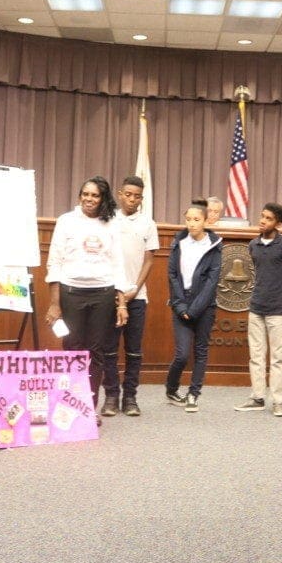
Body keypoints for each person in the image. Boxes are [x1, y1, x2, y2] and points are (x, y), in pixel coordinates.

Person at [45, 176, 129, 423]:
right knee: (72, 348)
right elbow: (55, 262)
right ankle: (69, 403)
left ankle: (89, 407)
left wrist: (121, 302)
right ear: (79, 195)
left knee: (96, 352)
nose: (89, 199)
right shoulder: (66, 221)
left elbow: (118, 264)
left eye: (95, 195)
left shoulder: (111, 223)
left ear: (102, 199)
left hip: (103, 294)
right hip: (71, 293)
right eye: (86, 194)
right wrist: (54, 303)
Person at [101, 175, 159, 418]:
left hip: (137, 296)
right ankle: (112, 396)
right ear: (119, 193)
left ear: (141, 199)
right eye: (128, 194)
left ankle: (131, 397)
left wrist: (134, 288)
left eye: (137, 196)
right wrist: (118, 290)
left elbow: (149, 259)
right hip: (110, 295)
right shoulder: (106, 220)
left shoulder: (148, 223)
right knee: (109, 349)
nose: (132, 199)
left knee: (134, 350)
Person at [235, 202, 282, 417]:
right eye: (262, 216)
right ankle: (257, 397)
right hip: (256, 307)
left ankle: (278, 401)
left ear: (278, 223)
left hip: (278, 310)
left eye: (269, 218)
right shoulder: (253, 245)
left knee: (278, 358)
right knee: (256, 356)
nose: (263, 221)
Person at [165, 199, 223, 412]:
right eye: (188, 219)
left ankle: (193, 394)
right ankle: (171, 389)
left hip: (204, 306)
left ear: (206, 221)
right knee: (181, 354)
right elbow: (172, 275)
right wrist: (181, 306)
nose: (192, 224)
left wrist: (195, 309)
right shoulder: (178, 243)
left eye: (197, 219)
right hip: (181, 302)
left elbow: (212, 280)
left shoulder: (214, 245)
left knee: (200, 351)